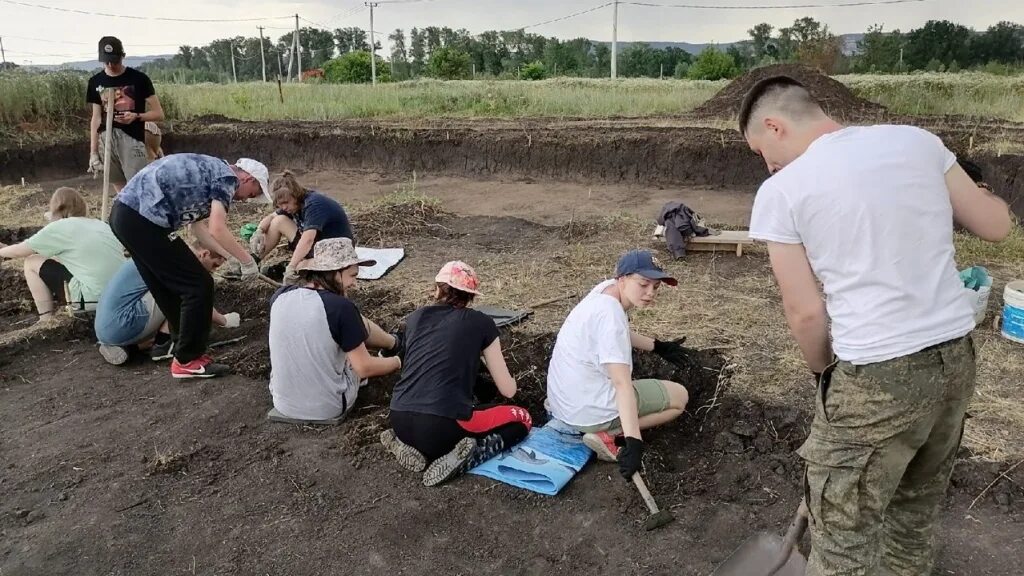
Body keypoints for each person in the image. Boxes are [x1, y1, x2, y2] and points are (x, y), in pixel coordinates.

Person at [739, 76, 1013, 576]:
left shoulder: (782, 190)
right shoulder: (917, 142)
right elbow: (996, 226)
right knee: (914, 512)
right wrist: (981, 193)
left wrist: (824, 374)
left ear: (774, 126)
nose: (767, 163)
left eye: (761, 149)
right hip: (955, 359)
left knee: (843, 536)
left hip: (878, 376)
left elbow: (805, 312)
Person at [108, 153, 272, 380]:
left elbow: (199, 230)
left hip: (125, 216)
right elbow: (217, 227)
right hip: (142, 219)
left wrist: (229, 256)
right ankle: (187, 359)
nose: (246, 200)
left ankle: (181, 346)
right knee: (199, 283)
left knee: (167, 286)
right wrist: (246, 260)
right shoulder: (227, 178)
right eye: (252, 194)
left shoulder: (210, 171)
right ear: (248, 179)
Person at [546, 250, 692, 481]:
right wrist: (634, 441)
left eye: (655, 287)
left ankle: (604, 427)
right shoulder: (611, 318)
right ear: (623, 279)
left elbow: (618, 332)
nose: (650, 293)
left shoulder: (604, 292)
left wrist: (658, 346)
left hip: (562, 404)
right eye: (643, 284)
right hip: (589, 413)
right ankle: (611, 433)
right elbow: (622, 384)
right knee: (680, 397)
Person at [383, 261, 533, 487]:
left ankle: (405, 445)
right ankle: (471, 456)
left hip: (399, 416)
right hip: (442, 425)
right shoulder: (481, 322)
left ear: (437, 289)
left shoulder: (415, 318)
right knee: (522, 418)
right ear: (471, 296)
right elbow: (507, 390)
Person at [268, 238, 402, 421]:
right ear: (335, 273)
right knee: (352, 355)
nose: (355, 283)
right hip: (327, 407)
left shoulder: (280, 295)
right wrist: (397, 362)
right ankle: (395, 346)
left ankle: (392, 342)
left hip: (283, 403)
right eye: (353, 275)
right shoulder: (340, 307)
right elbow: (364, 368)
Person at [94, 238, 243, 366]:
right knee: (184, 290)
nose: (212, 271)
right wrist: (225, 321)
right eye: (214, 265)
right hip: (123, 321)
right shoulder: (178, 261)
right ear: (204, 254)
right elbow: (193, 299)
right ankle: (162, 343)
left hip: (107, 326)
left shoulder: (166, 251)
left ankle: (130, 348)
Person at [0, 188, 124, 323]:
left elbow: (20, 251)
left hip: (94, 299)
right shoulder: (101, 225)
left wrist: (2, 251)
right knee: (56, 259)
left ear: (57, 208)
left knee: (31, 262)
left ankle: (46, 319)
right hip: (121, 296)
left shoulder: (60, 227)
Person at [250, 171, 355, 284]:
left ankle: (292, 269)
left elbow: (308, 239)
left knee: (304, 269)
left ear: (295, 195)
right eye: (280, 204)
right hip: (319, 247)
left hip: (336, 252)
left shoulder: (314, 204)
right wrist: (259, 231)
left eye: (286, 203)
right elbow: (272, 217)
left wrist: (292, 267)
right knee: (278, 221)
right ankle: (252, 261)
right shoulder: (294, 205)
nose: (284, 207)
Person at [87, 36, 164, 188]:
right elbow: (96, 119)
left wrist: (136, 116)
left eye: (114, 60)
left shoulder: (139, 79)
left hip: (132, 139)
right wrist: (94, 153)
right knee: (121, 192)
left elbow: (159, 114)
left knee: (138, 188)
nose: (110, 65)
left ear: (122, 56)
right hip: (106, 139)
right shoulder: (95, 82)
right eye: (106, 60)